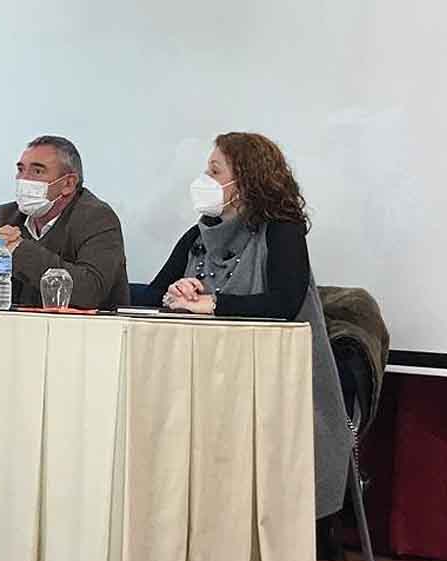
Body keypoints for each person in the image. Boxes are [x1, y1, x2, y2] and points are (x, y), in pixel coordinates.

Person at [149, 132, 353, 521]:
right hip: (206, 381)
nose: (204, 179)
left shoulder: (282, 230)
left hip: (274, 388)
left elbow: (282, 304)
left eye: (215, 170)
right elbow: (153, 293)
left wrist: (213, 305)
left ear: (244, 179)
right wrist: (173, 294)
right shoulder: (197, 237)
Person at [0, 136, 130, 309]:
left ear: (68, 184)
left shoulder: (97, 218)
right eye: (21, 170)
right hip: (14, 333)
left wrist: (20, 251)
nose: (23, 179)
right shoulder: (6, 216)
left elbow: (90, 292)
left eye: (37, 171)